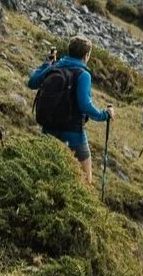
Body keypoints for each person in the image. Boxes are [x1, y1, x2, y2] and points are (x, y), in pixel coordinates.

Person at [28, 36, 114, 184]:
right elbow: (84, 105)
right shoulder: (83, 74)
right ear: (86, 55)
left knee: (44, 175)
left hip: (48, 129)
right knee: (86, 180)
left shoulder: (55, 67)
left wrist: (46, 64)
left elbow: (32, 82)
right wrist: (104, 115)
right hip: (73, 134)